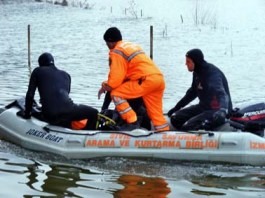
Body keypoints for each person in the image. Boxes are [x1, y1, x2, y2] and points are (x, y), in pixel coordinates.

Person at [98, 27, 169, 131]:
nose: (107, 46)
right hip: (158, 79)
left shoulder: (116, 52)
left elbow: (114, 81)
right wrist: (106, 84)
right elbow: (124, 77)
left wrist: (105, 86)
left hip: (144, 80)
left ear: (110, 42)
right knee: (156, 115)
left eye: (106, 43)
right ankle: (165, 136)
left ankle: (132, 121)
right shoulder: (131, 46)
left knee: (116, 94)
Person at [18, 52, 98, 130]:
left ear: (40, 64)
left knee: (54, 113)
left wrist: (27, 114)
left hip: (50, 115)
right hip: (69, 111)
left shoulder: (37, 71)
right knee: (94, 112)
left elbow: (30, 95)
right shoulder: (66, 75)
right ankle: (87, 134)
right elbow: (62, 97)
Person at [168, 48, 233, 131]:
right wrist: (176, 108)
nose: (185, 64)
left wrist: (223, 110)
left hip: (216, 110)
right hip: (204, 107)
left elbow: (221, 94)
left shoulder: (212, 74)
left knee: (188, 126)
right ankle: (184, 134)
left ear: (196, 61)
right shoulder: (197, 72)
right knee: (175, 118)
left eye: (188, 61)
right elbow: (192, 93)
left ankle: (198, 131)